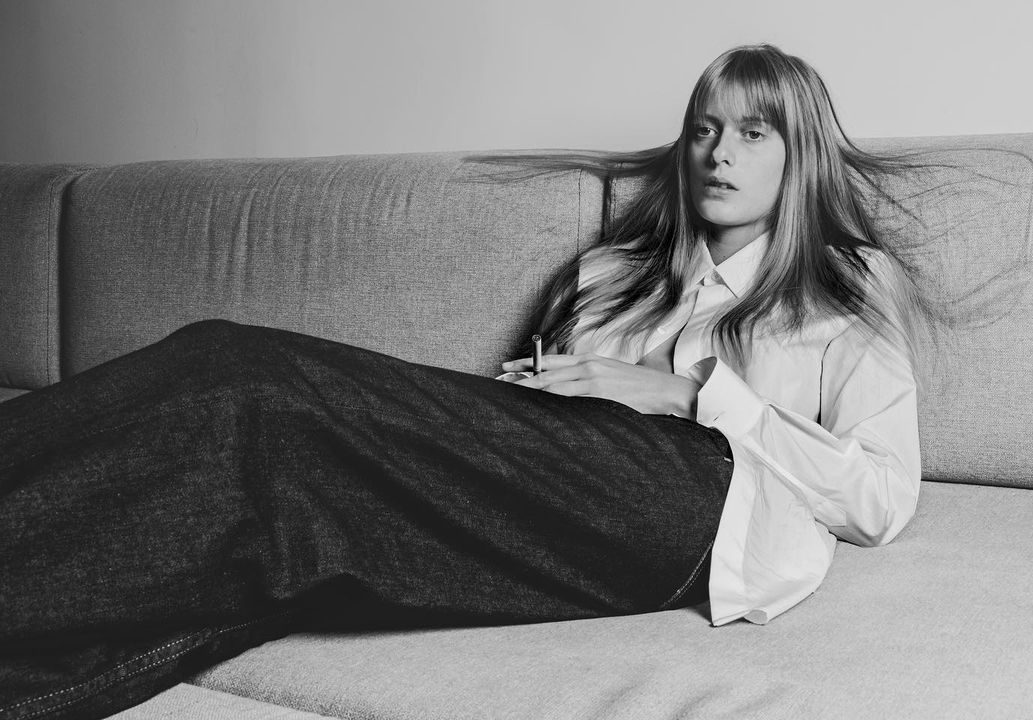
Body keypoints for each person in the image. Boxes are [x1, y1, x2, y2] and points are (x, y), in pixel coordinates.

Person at [0, 44, 931, 719]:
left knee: (239, 374)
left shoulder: (842, 286)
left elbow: (882, 499)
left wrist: (691, 396)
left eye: (754, 133)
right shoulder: (612, 274)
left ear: (800, 155)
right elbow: (515, 439)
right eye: (705, 129)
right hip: (560, 493)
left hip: (698, 505)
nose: (719, 153)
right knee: (276, 522)